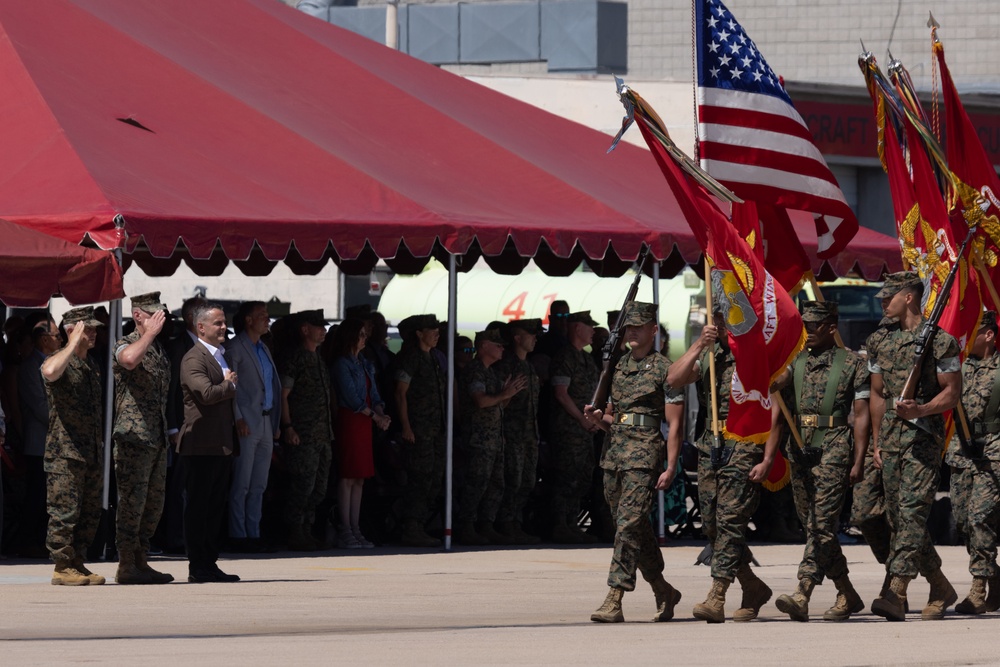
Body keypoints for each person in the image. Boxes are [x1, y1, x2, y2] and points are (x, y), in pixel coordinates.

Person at [667, 310, 776, 623]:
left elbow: (777, 405)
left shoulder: (758, 351)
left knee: (729, 521)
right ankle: (752, 586)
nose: (722, 321)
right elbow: (673, 379)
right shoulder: (711, 354)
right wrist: (699, 345)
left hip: (745, 441)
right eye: (718, 316)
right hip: (711, 444)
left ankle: (717, 594)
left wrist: (768, 457)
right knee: (713, 526)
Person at [866, 271, 961, 621]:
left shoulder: (941, 341)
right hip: (890, 438)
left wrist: (921, 409)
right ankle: (939, 585)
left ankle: (896, 590)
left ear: (908, 297)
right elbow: (878, 394)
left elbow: (952, 392)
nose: (881, 302)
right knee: (897, 516)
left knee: (912, 514)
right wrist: (877, 441)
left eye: (887, 296)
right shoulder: (879, 340)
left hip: (923, 438)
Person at [584, 302, 685, 623]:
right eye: (629, 327)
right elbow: (613, 416)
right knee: (632, 526)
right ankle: (662, 588)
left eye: (639, 327)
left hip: (644, 455)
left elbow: (675, 425)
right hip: (614, 454)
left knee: (628, 525)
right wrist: (598, 419)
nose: (633, 332)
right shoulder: (618, 367)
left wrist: (670, 466)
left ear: (654, 331)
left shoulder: (663, 369)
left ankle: (615, 596)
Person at [772, 301, 870, 621]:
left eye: (815, 326)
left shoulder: (853, 364)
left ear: (831, 326)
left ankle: (803, 591)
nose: (808, 331)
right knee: (813, 527)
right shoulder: (798, 362)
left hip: (834, 448)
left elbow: (860, 416)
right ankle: (847, 593)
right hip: (800, 450)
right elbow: (779, 390)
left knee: (821, 525)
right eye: (806, 325)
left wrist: (858, 461)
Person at [41, 306, 106, 586]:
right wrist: (69, 345)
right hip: (64, 452)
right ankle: (61, 566)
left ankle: (77, 561)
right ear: (71, 331)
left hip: (89, 450)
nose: (93, 334)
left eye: (93, 329)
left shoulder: (92, 365)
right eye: (87, 329)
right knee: (64, 511)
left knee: (88, 511)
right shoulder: (60, 360)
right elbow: (50, 371)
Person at [112, 292, 173, 585]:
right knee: (132, 503)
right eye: (153, 314)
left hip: (156, 437)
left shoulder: (159, 350)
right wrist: (148, 335)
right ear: (138, 315)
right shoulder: (126, 343)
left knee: (153, 504)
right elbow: (129, 360)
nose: (159, 320)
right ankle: (126, 563)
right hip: (133, 437)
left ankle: (141, 560)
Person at [178, 303, 240, 583]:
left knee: (215, 507)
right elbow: (204, 393)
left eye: (224, 322)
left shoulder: (220, 356)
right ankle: (197, 565)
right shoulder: (195, 359)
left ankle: (209, 562)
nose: (223, 327)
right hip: (201, 445)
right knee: (199, 507)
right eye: (217, 323)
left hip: (220, 444)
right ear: (200, 327)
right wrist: (228, 385)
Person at [948, 311, 1000, 614]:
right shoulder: (957, 369)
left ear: (990, 335)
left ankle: (978, 588)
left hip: (992, 452)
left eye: (973, 331)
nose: (965, 336)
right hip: (962, 452)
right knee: (965, 522)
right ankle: (994, 575)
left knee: (981, 519)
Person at [455, 329, 526, 545]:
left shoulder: (491, 372)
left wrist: (508, 395)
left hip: (494, 437)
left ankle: (486, 525)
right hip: (479, 438)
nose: (502, 348)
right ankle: (466, 527)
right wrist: (504, 394)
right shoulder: (476, 371)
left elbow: (497, 403)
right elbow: (481, 401)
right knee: (477, 482)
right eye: (498, 345)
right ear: (484, 346)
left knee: (496, 484)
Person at [226, 301, 281, 552]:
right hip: (247, 421)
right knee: (242, 482)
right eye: (262, 315)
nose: (267, 319)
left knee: (260, 482)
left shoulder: (264, 348)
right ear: (248, 320)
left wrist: (277, 421)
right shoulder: (235, 347)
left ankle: (254, 532)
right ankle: (238, 535)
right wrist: (237, 417)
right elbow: (231, 387)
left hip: (267, 420)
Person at [332, 318, 390, 548]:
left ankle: (355, 527)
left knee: (360, 478)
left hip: (365, 423)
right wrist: (375, 416)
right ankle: (345, 528)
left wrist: (381, 413)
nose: (365, 339)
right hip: (351, 421)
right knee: (347, 477)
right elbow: (350, 397)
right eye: (362, 335)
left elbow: (373, 394)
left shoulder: (364, 363)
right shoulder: (341, 364)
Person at [280, 309, 334, 551]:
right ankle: (294, 531)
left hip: (322, 434)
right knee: (303, 485)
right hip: (303, 434)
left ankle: (307, 529)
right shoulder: (295, 358)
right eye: (317, 326)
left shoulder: (318, 358)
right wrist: (288, 426)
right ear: (305, 329)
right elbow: (283, 395)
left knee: (319, 486)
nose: (323, 330)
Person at [548, 311, 601, 543]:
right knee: (566, 476)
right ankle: (560, 525)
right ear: (577, 328)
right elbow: (561, 393)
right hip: (569, 430)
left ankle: (571, 523)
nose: (593, 332)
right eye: (589, 327)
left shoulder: (586, 359)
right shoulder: (565, 357)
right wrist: (581, 418)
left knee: (582, 476)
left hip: (585, 430)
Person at [394, 314, 447, 547]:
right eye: (431, 329)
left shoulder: (433, 358)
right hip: (419, 430)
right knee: (419, 479)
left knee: (434, 480)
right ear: (419, 333)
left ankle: (420, 525)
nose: (437, 333)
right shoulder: (411, 358)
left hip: (436, 430)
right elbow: (400, 393)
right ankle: (410, 527)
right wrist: (406, 426)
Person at [495, 319, 543, 545]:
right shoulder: (506, 365)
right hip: (512, 433)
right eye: (530, 334)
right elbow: (499, 403)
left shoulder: (529, 366)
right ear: (517, 338)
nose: (535, 338)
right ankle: (506, 523)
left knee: (527, 481)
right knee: (512, 480)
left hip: (529, 434)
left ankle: (515, 522)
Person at [15, 319, 61, 558]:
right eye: (56, 335)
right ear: (44, 339)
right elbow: (40, 407)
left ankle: (40, 539)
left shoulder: (53, 362)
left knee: (48, 496)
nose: (60, 339)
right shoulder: (31, 367)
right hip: (39, 443)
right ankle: (28, 541)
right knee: (36, 495)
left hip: (53, 443)